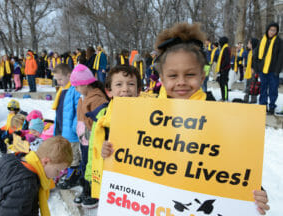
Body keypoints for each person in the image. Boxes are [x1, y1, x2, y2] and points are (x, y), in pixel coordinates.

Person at [102, 22, 270, 215]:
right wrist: (112, 153)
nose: (181, 82)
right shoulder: (145, 115)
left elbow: (235, 169)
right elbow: (131, 158)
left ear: (202, 76)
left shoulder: (220, 118)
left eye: (190, 74)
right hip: (155, 204)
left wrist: (253, 195)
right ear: (162, 79)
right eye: (173, 75)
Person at [90, 65, 142, 202]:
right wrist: (102, 151)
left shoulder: (147, 116)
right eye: (119, 84)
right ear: (109, 91)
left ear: (139, 90)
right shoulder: (102, 117)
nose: (125, 89)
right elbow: (93, 149)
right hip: (113, 179)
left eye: (131, 84)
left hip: (138, 177)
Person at [0, 136, 73, 216]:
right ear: (46, 162)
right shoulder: (26, 185)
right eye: (58, 170)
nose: (58, 174)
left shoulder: (10, 159)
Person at [70, 63, 109, 207]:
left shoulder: (97, 99)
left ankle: (94, 191)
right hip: (84, 140)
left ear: (86, 84)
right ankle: (86, 188)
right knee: (85, 164)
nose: (75, 89)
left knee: (92, 165)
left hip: (92, 140)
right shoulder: (84, 97)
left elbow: (98, 122)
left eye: (77, 85)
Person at [52, 63, 81, 189]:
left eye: (60, 79)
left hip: (71, 131)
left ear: (69, 75)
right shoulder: (62, 90)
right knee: (66, 153)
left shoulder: (74, 89)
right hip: (62, 128)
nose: (58, 82)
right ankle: (69, 172)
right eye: (56, 80)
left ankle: (74, 176)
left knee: (73, 154)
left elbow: (78, 110)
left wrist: (74, 127)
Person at [254, 22, 283, 115]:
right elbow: (256, 55)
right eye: (271, 30)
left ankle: (272, 106)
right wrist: (257, 67)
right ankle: (263, 105)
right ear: (267, 30)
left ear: (276, 31)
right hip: (263, 70)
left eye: (274, 30)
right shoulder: (262, 40)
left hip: (273, 70)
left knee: (273, 90)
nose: (272, 32)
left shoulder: (279, 42)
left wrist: (277, 70)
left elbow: (280, 57)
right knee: (263, 88)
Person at [244, 38, 259, 103]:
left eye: (249, 43)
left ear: (253, 44)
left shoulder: (255, 51)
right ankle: (246, 98)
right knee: (248, 85)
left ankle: (253, 99)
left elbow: (256, 61)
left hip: (253, 71)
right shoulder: (250, 51)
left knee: (253, 85)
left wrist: (253, 68)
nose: (248, 44)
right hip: (249, 70)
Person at [216, 36, 231, 101]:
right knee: (221, 83)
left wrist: (222, 67)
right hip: (222, 69)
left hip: (224, 69)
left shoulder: (226, 49)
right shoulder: (223, 48)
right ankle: (223, 97)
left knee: (224, 84)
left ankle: (225, 97)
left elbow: (226, 60)